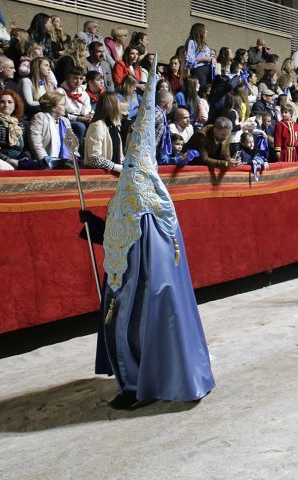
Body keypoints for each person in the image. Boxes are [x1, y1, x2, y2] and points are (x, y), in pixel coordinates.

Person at [92, 57, 215, 409]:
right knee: (122, 327)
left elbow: (154, 244)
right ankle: (129, 382)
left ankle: (140, 384)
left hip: (144, 282)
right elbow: (121, 231)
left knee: (139, 327)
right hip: (122, 278)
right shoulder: (126, 190)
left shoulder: (152, 198)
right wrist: (96, 227)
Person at [27, 91, 73, 168]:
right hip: (45, 163)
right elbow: (36, 144)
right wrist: (47, 163)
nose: (65, 107)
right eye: (62, 104)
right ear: (52, 107)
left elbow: (71, 145)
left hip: (64, 163)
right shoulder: (40, 118)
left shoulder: (65, 121)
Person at [83, 92, 125, 174]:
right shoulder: (97, 126)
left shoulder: (114, 125)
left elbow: (119, 155)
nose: (120, 106)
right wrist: (116, 167)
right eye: (118, 103)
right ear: (112, 106)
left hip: (115, 175)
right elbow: (94, 158)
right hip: (99, 177)